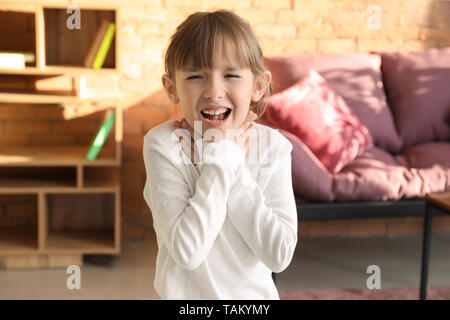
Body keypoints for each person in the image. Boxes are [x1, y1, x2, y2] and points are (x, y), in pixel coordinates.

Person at [143, 9, 298, 300]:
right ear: (171, 88)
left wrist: (227, 159)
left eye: (230, 75)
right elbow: (188, 251)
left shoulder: (274, 148)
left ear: (258, 86)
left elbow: (279, 254)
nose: (214, 91)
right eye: (195, 76)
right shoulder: (163, 145)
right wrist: (223, 159)